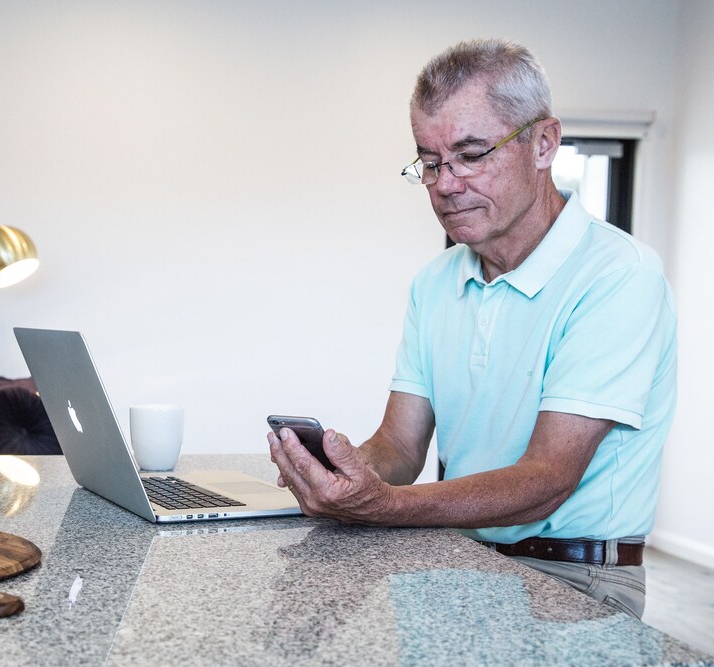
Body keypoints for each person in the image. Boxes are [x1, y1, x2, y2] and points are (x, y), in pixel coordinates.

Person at [268, 38, 677, 619]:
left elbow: (547, 478)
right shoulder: (435, 282)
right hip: (457, 554)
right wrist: (345, 476)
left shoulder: (619, 276)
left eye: (472, 154)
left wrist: (382, 505)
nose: (445, 183)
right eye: (431, 162)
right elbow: (399, 445)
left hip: (576, 580)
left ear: (544, 144)